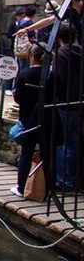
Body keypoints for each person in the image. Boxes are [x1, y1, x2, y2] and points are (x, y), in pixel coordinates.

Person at [11, 43, 46, 198]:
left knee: (27, 151)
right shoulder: (49, 74)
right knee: (47, 154)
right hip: (47, 119)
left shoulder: (24, 74)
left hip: (28, 118)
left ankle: (21, 186)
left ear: (31, 57)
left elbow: (17, 98)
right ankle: (48, 188)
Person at [54, 22, 83, 191]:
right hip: (78, 102)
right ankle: (73, 179)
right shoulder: (80, 52)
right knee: (74, 141)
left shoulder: (62, 54)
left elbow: (59, 79)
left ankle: (62, 182)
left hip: (64, 103)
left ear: (59, 38)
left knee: (62, 142)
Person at [16, 0, 84, 44]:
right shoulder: (70, 11)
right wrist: (27, 29)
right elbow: (49, 20)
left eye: (64, 1)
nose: (63, 3)